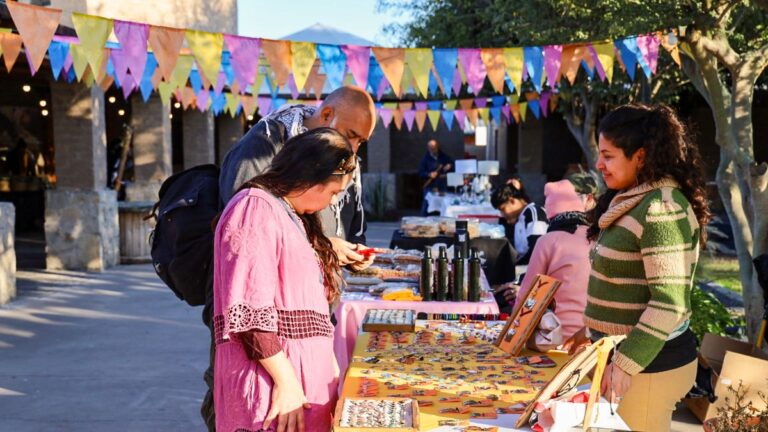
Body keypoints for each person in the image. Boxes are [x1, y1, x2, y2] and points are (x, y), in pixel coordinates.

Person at [203, 86, 377, 430]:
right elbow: (251, 314)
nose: (331, 202)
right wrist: (286, 382)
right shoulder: (255, 208)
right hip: (275, 394)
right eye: (332, 192)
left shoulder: (290, 213)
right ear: (311, 177)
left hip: (299, 391)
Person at [563, 104, 709, 432]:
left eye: (608, 155)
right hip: (629, 361)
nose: (599, 164)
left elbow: (668, 303)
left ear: (640, 156)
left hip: (651, 366)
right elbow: (623, 286)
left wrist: (627, 364)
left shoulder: (661, 209)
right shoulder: (635, 200)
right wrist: (591, 331)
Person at [503, 172, 597, 340]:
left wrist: (510, 337)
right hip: (591, 336)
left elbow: (527, 294)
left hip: (555, 337)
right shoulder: (597, 237)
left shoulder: (547, 241)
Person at [491, 181, 548, 265]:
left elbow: (537, 250)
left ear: (512, 201)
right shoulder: (519, 219)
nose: (502, 215)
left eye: (503, 209)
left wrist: (516, 265)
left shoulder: (533, 212)